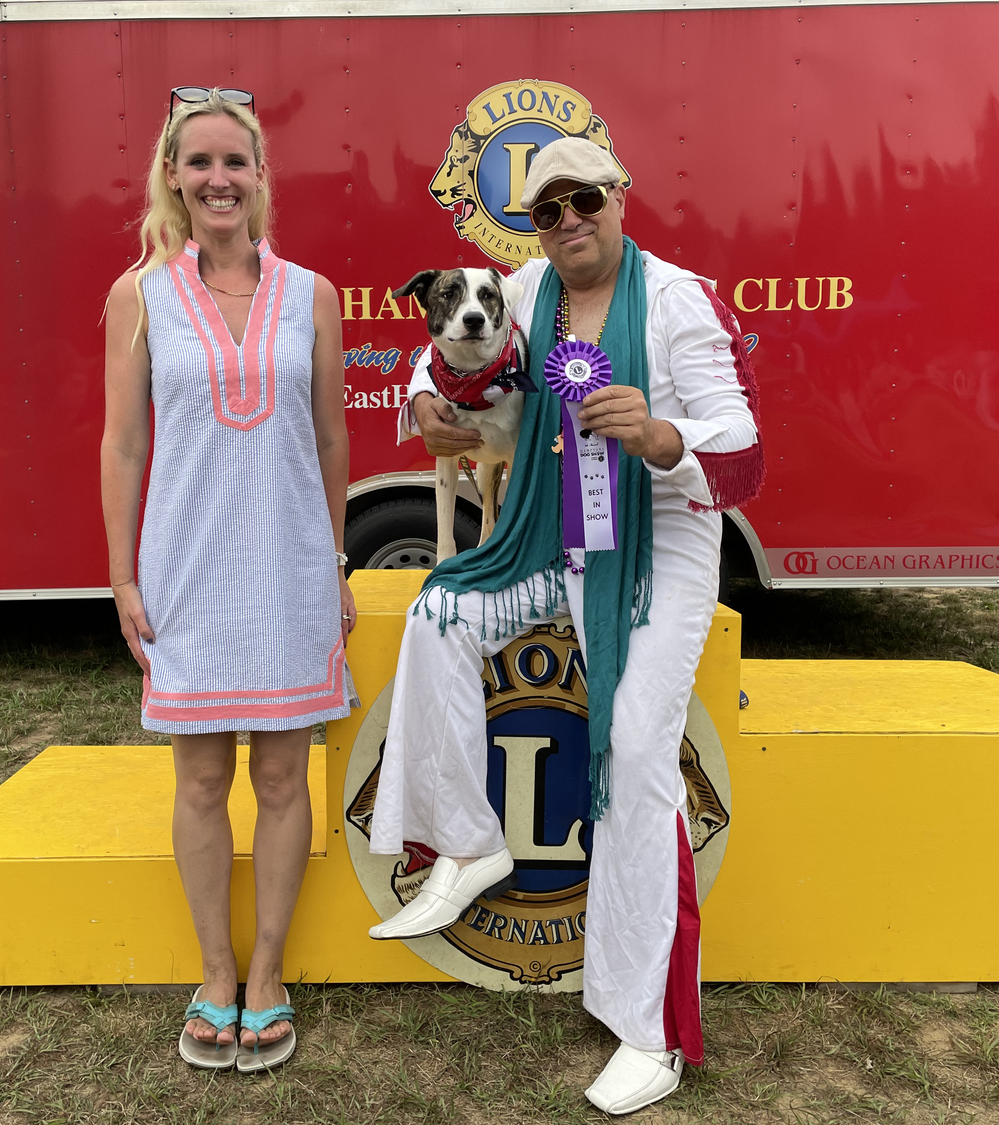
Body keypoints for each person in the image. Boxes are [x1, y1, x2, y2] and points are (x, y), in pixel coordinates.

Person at [369, 137, 762, 1115]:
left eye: (584, 198)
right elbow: (434, 358)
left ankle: (650, 1033)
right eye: (547, 210)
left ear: (619, 197)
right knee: (440, 613)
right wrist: (425, 401)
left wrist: (666, 436)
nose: (568, 220)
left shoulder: (677, 301)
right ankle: (468, 844)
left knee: (634, 750)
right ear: (531, 226)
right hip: (555, 535)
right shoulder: (523, 287)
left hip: (662, 548)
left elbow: (747, 457)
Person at [101, 87, 356, 1073]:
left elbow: (331, 434)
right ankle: (215, 974)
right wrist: (122, 575)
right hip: (190, 566)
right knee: (201, 777)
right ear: (172, 175)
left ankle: (267, 976)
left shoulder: (315, 295)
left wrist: (333, 559)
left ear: (260, 179)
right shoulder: (141, 296)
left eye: (234, 163)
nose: (218, 179)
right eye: (198, 162)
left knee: (285, 776)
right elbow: (125, 445)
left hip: (289, 564)